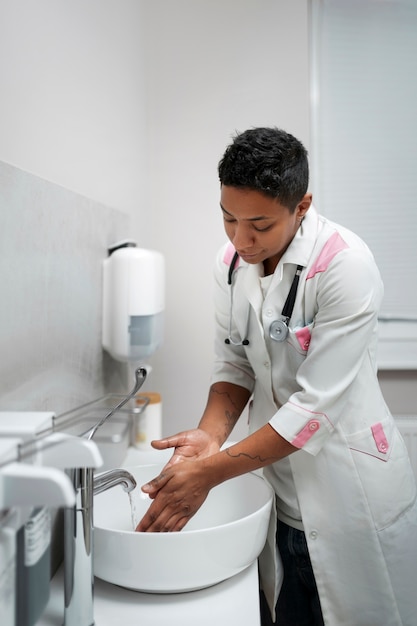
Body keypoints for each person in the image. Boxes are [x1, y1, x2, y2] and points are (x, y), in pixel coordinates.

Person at [137, 127, 417, 625]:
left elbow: (314, 411)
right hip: (279, 490)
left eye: (259, 225)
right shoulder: (230, 265)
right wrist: (209, 437)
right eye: (228, 218)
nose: (241, 240)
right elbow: (234, 361)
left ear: (301, 206)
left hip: (350, 496)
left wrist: (210, 472)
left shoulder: (345, 266)